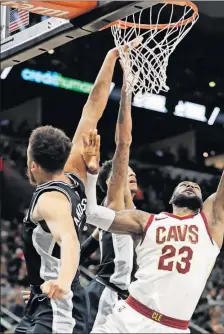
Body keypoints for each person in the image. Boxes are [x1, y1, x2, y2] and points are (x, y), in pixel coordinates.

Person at [83, 65, 224, 333]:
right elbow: (92, 214)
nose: (192, 183)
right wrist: (91, 176)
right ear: (170, 198)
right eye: (185, 183)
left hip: (173, 327)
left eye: (195, 185)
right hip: (128, 317)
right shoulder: (147, 221)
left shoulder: (211, 222)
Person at [14, 44, 126, 334]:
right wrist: (111, 57)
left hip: (59, 309)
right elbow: (93, 107)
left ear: (33, 164)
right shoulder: (73, 172)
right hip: (42, 303)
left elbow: (70, 241)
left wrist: (62, 282)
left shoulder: (51, 199)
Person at [80, 65, 139, 332]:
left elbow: (83, 251)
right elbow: (123, 143)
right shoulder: (116, 204)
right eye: (125, 173)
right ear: (111, 183)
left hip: (123, 297)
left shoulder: (128, 215)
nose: (131, 174)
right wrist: (127, 89)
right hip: (107, 292)